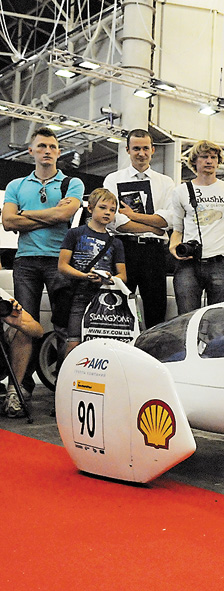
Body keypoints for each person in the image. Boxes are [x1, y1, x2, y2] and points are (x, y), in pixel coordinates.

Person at [1, 126, 84, 342]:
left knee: (63, 325)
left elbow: (65, 214)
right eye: (41, 146)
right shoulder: (15, 185)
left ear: (58, 152)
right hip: (25, 262)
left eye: (52, 147)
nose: (47, 150)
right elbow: (8, 222)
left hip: (60, 261)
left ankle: (62, 375)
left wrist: (25, 214)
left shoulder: (72, 183)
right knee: (23, 323)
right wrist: (53, 215)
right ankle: (22, 377)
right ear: (31, 151)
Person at [104, 128, 176, 328]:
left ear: (153, 150)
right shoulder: (113, 180)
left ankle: (150, 353)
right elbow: (113, 220)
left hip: (154, 253)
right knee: (117, 308)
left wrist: (134, 216)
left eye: (145, 148)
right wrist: (153, 227)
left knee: (155, 309)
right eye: (136, 148)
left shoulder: (166, 182)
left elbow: (169, 219)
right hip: (122, 250)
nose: (141, 153)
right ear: (127, 150)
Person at [168, 140, 224, 314]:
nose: (209, 161)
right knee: (186, 317)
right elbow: (177, 228)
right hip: (188, 264)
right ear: (195, 160)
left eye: (213, 157)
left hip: (221, 262)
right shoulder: (181, 191)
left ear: (218, 161)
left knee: (218, 319)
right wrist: (173, 246)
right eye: (204, 157)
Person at [58, 189, 129, 357]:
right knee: (73, 341)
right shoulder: (74, 233)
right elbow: (62, 266)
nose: (107, 213)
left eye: (112, 210)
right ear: (90, 208)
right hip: (78, 294)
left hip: (104, 297)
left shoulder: (116, 242)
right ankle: (67, 380)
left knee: (102, 343)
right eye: (103, 207)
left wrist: (108, 279)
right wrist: (84, 276)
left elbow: (123, 275)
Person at [0, 289, 44, 418]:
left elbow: (38, 331)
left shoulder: (1, 298)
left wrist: (19, 324)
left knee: (23, 332)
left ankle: (13, 394)